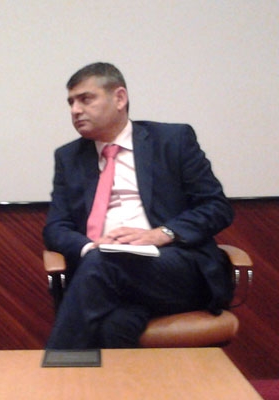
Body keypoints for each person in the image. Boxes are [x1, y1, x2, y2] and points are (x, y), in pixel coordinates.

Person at [44, 62, 234, 349]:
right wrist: (89, 247)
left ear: (120, 98)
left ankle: (56, 370)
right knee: (113, 326)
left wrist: (161, 234)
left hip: (173, 266)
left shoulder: (172, 140)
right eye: (71, 102)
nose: (75, 110)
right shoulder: (69, 157)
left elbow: (217, 207)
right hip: (103, 277)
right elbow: (56, 227)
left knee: (104, 263)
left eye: (85, 99)